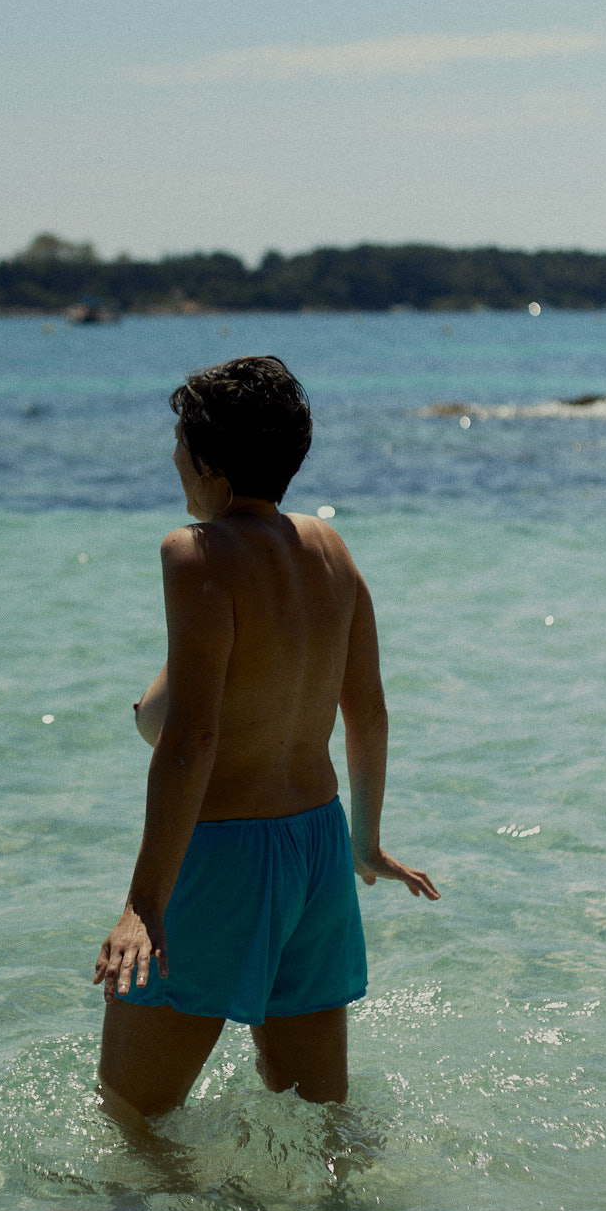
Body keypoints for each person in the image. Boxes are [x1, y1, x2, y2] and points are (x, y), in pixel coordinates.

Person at [94, 356, 438, 1120]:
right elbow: (369, 711)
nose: (173, 459)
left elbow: (193, 738)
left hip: (225, 856)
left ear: (211, 469)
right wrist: (365, 844)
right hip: (318, 850)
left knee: (132, 1118)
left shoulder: (195, 552)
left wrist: (144, 905)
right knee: (319, 1119)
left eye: (181, 445)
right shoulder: (330, 548)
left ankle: (173, 1208)